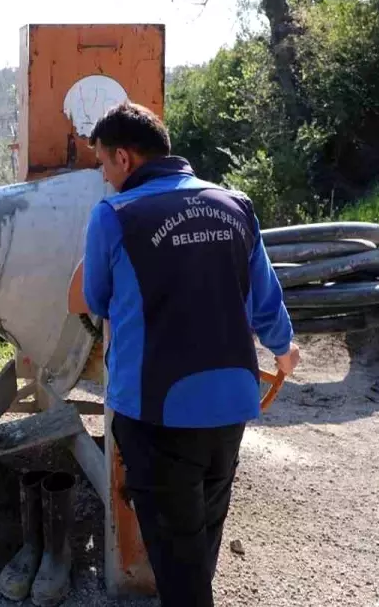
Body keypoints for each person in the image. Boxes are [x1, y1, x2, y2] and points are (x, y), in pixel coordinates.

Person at [81, 103, 299, 607]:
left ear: (123, 157)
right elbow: (265, 298)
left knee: (177, 559)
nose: (104, 176)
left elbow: (96, 299)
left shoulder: (114, 216)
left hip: (157, 411)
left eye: (103, 163)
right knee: (201, 539)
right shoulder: (235, 205)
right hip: (230, 405)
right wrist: (284, 349)